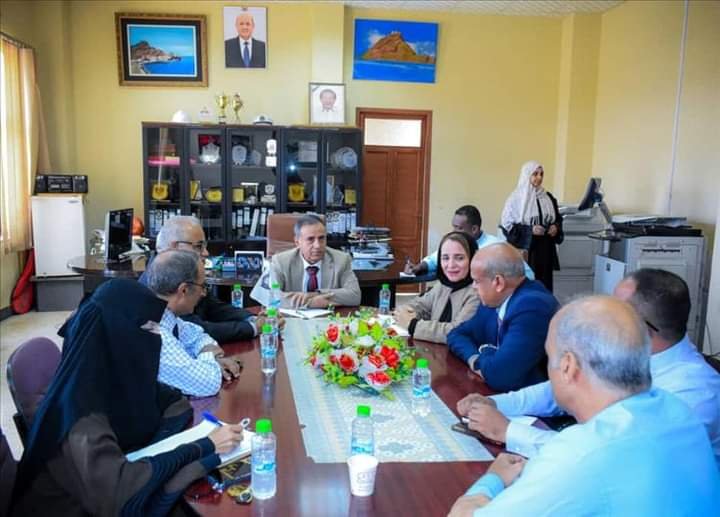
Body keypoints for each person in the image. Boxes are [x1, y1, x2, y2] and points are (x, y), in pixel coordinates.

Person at [448, 296, 720, 516]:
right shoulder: (679, 412)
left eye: (549, 358)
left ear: (567, 366)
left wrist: (492, 480)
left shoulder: (580, 452)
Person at [11, 279, 245, 516]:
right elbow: (121, 493)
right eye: (148, 330)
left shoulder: (112, 376)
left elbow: (173, 402)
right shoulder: (80, 415)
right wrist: (205, 446)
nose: (155, 339)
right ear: (118, 335)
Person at [457, 268, 720, 463]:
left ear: (640, 327)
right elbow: (564, 386)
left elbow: (608, 458)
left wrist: (507, 430)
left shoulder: (694, 392)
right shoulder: (624, 351)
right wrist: (496, 404)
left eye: (613, 312)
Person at [144, 215, 279, 344]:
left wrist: (252, 318)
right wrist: (254, 327)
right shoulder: (158, 279)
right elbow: (193, 329)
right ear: (175, 246)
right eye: (198, 246)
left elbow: (213, 306)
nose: (206, 253)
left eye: (204, 246)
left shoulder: (184, 270)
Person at [447, 243, 558, 391]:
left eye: (477, 281)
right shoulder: (494, 300)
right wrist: (475, 359)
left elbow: (500, 376)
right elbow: (455, 334)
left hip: (537, 402)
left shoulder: (533, 307)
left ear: (498, 282)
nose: (473, 287)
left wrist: (485, 350)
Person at [145, 249, 242, 397]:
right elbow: (207, 383)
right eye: (202, 286)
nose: (204, 293)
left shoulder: (165, 315)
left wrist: (213, 359)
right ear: (183, 290)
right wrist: (209, 356)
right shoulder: (153, 330)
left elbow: (198, 336)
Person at [405, 205, 534, 280]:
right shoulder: (455, 243)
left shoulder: (496, 247)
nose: (454, 232)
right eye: (453, 227)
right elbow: (434, 260)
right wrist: (419, 266)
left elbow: (528, 275)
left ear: (474, 229)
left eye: (459, 228)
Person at [393, 232, 480, 344]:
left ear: (472, 259)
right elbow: (420, 305)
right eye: (445, 258)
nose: (451, 265)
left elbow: (457, 332)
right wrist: (406, 312)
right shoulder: (443, 285)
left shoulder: (478, 292)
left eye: (459, 258)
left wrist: (413, 325)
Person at [270, 214, 361, 308]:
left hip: (328, 316)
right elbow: (271, 296)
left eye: (321, 238)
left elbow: (355, 295)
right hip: (291, 316)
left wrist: (316, 294)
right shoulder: (280, 262)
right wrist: (312, 303)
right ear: (297, 242)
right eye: (310, 239)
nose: (317, 245)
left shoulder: (341, 260)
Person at [500, 161, 563, 292]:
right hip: (528, 251)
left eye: (541, 174)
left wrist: (555, 227)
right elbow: (508, 227)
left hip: (545, 250)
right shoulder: (516, 199)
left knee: (545, 287)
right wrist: (530, 230)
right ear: (527, 175)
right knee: (528, 286)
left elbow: (557, 218)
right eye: (535, 174)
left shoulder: (548, 197)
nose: (539, 177)